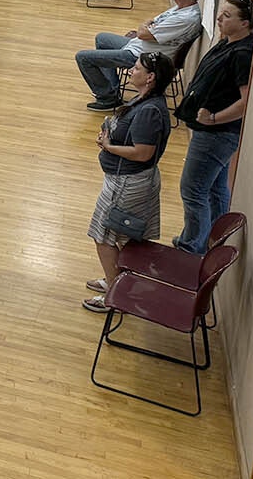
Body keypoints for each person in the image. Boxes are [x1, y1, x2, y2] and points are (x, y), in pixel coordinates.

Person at [82, 52, 176, 313]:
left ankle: (115, 294)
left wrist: (109, 146)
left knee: (104, 236)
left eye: (136, 68)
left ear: (150, 77)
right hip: (130, 180)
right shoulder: (145, 100)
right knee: (118, 235)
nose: (131, 71)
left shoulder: (149, 111)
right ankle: (117, 279)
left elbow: (142, 152)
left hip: (128, 183)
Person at [171, 0, 253, 254]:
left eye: (227, 15)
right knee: (216, 188)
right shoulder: (228, 42)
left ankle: (191, 247)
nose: (219, 18)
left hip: (217, 133)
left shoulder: (243, 53)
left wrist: (214, 118)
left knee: (193, 188)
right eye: (221, 13)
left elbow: (245, 101)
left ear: (245, 23)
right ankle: (214, 242)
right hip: (213, 132)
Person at [74, 0, 203, 111]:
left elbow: (143, 32)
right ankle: (112, 90)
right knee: (102, 38)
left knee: (83, 58)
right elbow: (149, 27)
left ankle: (106, 98)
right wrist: (146, 26)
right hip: (140, 45)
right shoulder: (181, 8)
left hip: (144, 55)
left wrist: (144, 25)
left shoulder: (185, 18)